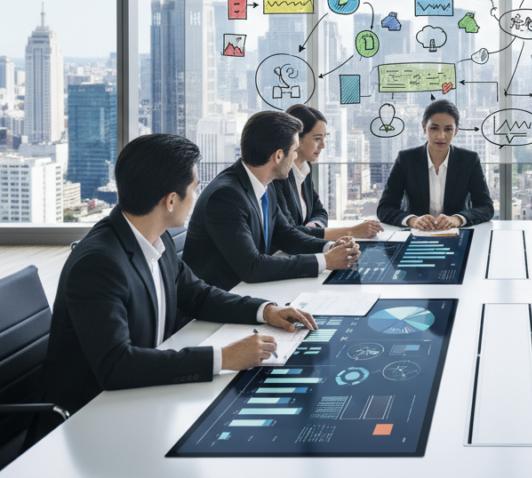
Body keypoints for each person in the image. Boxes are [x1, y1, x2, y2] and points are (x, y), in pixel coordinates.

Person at [26, 134, 318, 446]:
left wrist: (265, 310)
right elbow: (116, 366)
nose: (197, 196)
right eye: (193, 188)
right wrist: (224, 357)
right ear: (170, 200)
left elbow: (198, 295)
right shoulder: (99, 263)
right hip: (88, 423)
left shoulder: (155, 236)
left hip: (147, 398)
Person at [184, 110, 360, 290]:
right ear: (277, 156)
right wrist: (325, 261)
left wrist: (331, 247)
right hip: (221, 302)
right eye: (293, 151)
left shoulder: (265, 184)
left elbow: (287, 235)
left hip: (250, 290)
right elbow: (252, 267)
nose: (295, 157)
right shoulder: (226, 196)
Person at [377, 99, 494, 230]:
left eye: (448, 129)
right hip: (416, 233)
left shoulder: (469, 160)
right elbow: (385, 208)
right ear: (424, 127)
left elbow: (486, 207)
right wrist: (413, 220)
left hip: (456, 233)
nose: (441, 136)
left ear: (456, 131)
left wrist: (457, 219)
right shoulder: (406, 159)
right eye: (434, 128)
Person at [271, 104, 383, 240]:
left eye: (325, 138)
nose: (323, 145)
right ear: (296, 139)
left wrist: (313, 226)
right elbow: (288, 232)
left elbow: (320, 211)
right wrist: (351, 232)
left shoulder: (305, 168)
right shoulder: (277, 175)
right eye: (317, 139)